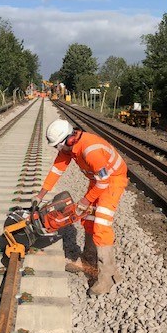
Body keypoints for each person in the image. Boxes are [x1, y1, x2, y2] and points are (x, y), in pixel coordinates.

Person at [33, 119, 128, 295]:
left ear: (69, 140)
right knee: (88, 219)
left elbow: (104, 181)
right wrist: (40, 196)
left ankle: (107, 277)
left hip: (113, 180)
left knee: (101, 224)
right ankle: (88, 261)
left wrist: (84, 201)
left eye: (57, 146)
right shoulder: (70, 148)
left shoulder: (90, 150)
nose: (57, 150)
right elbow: (56, 170)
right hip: (98, 181)